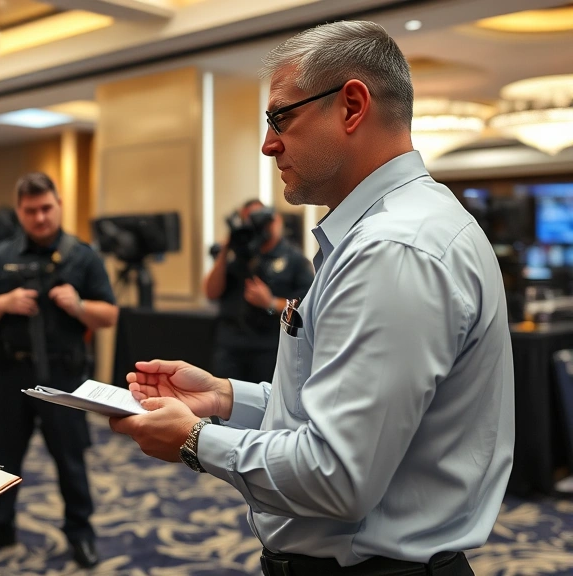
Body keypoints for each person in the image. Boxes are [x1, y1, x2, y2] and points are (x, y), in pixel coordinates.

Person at [111, 20, 512, 576]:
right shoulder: (391, 231)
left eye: (282, 117)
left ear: (352, 106)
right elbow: (339, 407)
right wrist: (226, 397)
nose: (268, 143)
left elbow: (336, 474)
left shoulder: (393, 249)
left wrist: (194, 440)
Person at [0, 172, 119, 568]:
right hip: (10, 375)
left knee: (70, 459)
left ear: (59, 205)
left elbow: (109, 315)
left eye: (46, 208)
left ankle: (80, 532)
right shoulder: (2, 255)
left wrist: (78, 306)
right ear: (19, 211)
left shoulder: (82, 255)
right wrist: (4, 302)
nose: (40, 217)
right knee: (1, 458)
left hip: (63, 377)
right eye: (31, 210)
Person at [203, 199, 313, 382]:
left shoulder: (295, 260)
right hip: (231, 347)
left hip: (269, 348)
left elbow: (306, 307)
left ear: (275, 220)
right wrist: (226, 249)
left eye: (259, 219)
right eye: (248, 220)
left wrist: (270, 303)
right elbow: (211, 292)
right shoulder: (237, 257)